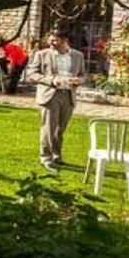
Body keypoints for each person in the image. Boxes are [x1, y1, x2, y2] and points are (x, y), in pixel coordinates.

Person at [27, 30, 86, 172]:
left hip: (68, 95)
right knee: (48, 128)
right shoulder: (42, 54)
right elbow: (32, 74)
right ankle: (46, 158)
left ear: (65, 41)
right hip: (50, 95)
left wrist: (79, 81)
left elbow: (83, 75)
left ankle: (56, 156)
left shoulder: (78, 55)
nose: (51, 43)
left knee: (60, 129)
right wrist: (52, 80)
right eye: (50, 40)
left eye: (55, 40)